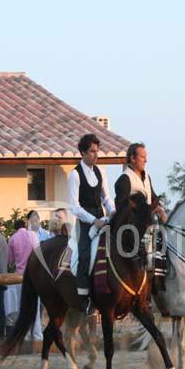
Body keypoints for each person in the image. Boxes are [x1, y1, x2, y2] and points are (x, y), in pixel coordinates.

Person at [68, 133, 115, 311]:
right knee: (85, 254)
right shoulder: (75, 175)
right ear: (83, 152)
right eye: (92, 152)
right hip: (85, 222)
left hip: (102, 219)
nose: (96, 155)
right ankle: (84, 297)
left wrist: (113, 211)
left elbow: (106, 198)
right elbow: (74, 207)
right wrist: (93, 220)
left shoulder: (101, 171)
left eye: (97, 151)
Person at [114, 142, 167, 221]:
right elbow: (122, 209)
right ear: (132, 158)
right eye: (142, 157)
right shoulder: (124, 179)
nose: (146, 160)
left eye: (146, 157)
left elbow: (152, 198)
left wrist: (161, 210)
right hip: (132, 229)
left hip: (150, 226)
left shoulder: (147, 177)